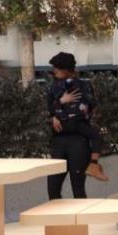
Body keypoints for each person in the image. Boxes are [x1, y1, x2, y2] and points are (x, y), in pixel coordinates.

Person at [45, 52, 109, 198]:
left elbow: (87, 109)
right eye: (54, 68)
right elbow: (47, 110)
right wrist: (55, 114)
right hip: (58, 141)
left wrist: (63, 114)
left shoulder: (84, 85)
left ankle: (94, 165)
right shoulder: (54, 87)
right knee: (53, 189)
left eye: (58, 68)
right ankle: (57, 220)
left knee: (78, 189)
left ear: (68, 70)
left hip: (78, 140)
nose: (54, 71)